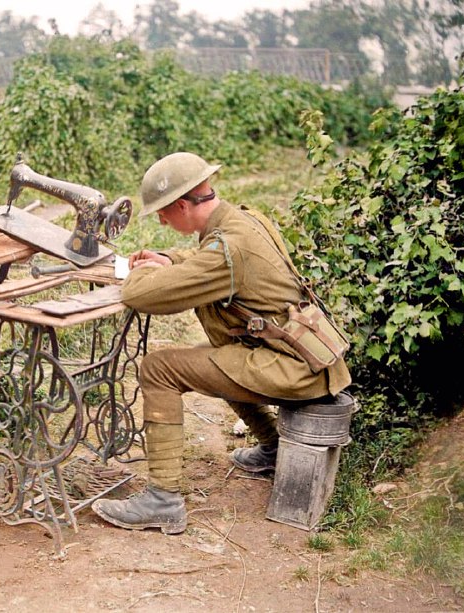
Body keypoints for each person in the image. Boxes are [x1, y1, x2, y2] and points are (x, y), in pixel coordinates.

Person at [91, 151, 351, 534]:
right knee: (217, 358)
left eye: (163, 211)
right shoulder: (244, 219)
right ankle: (273, 447)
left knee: (159, 368)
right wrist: (167, 258)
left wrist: (139, 274)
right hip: (306, 357)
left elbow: (143, 297)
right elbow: (206, 257)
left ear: (182, 205)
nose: (161, 219)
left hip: (294, 368)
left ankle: (162, 500)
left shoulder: (229, 250)